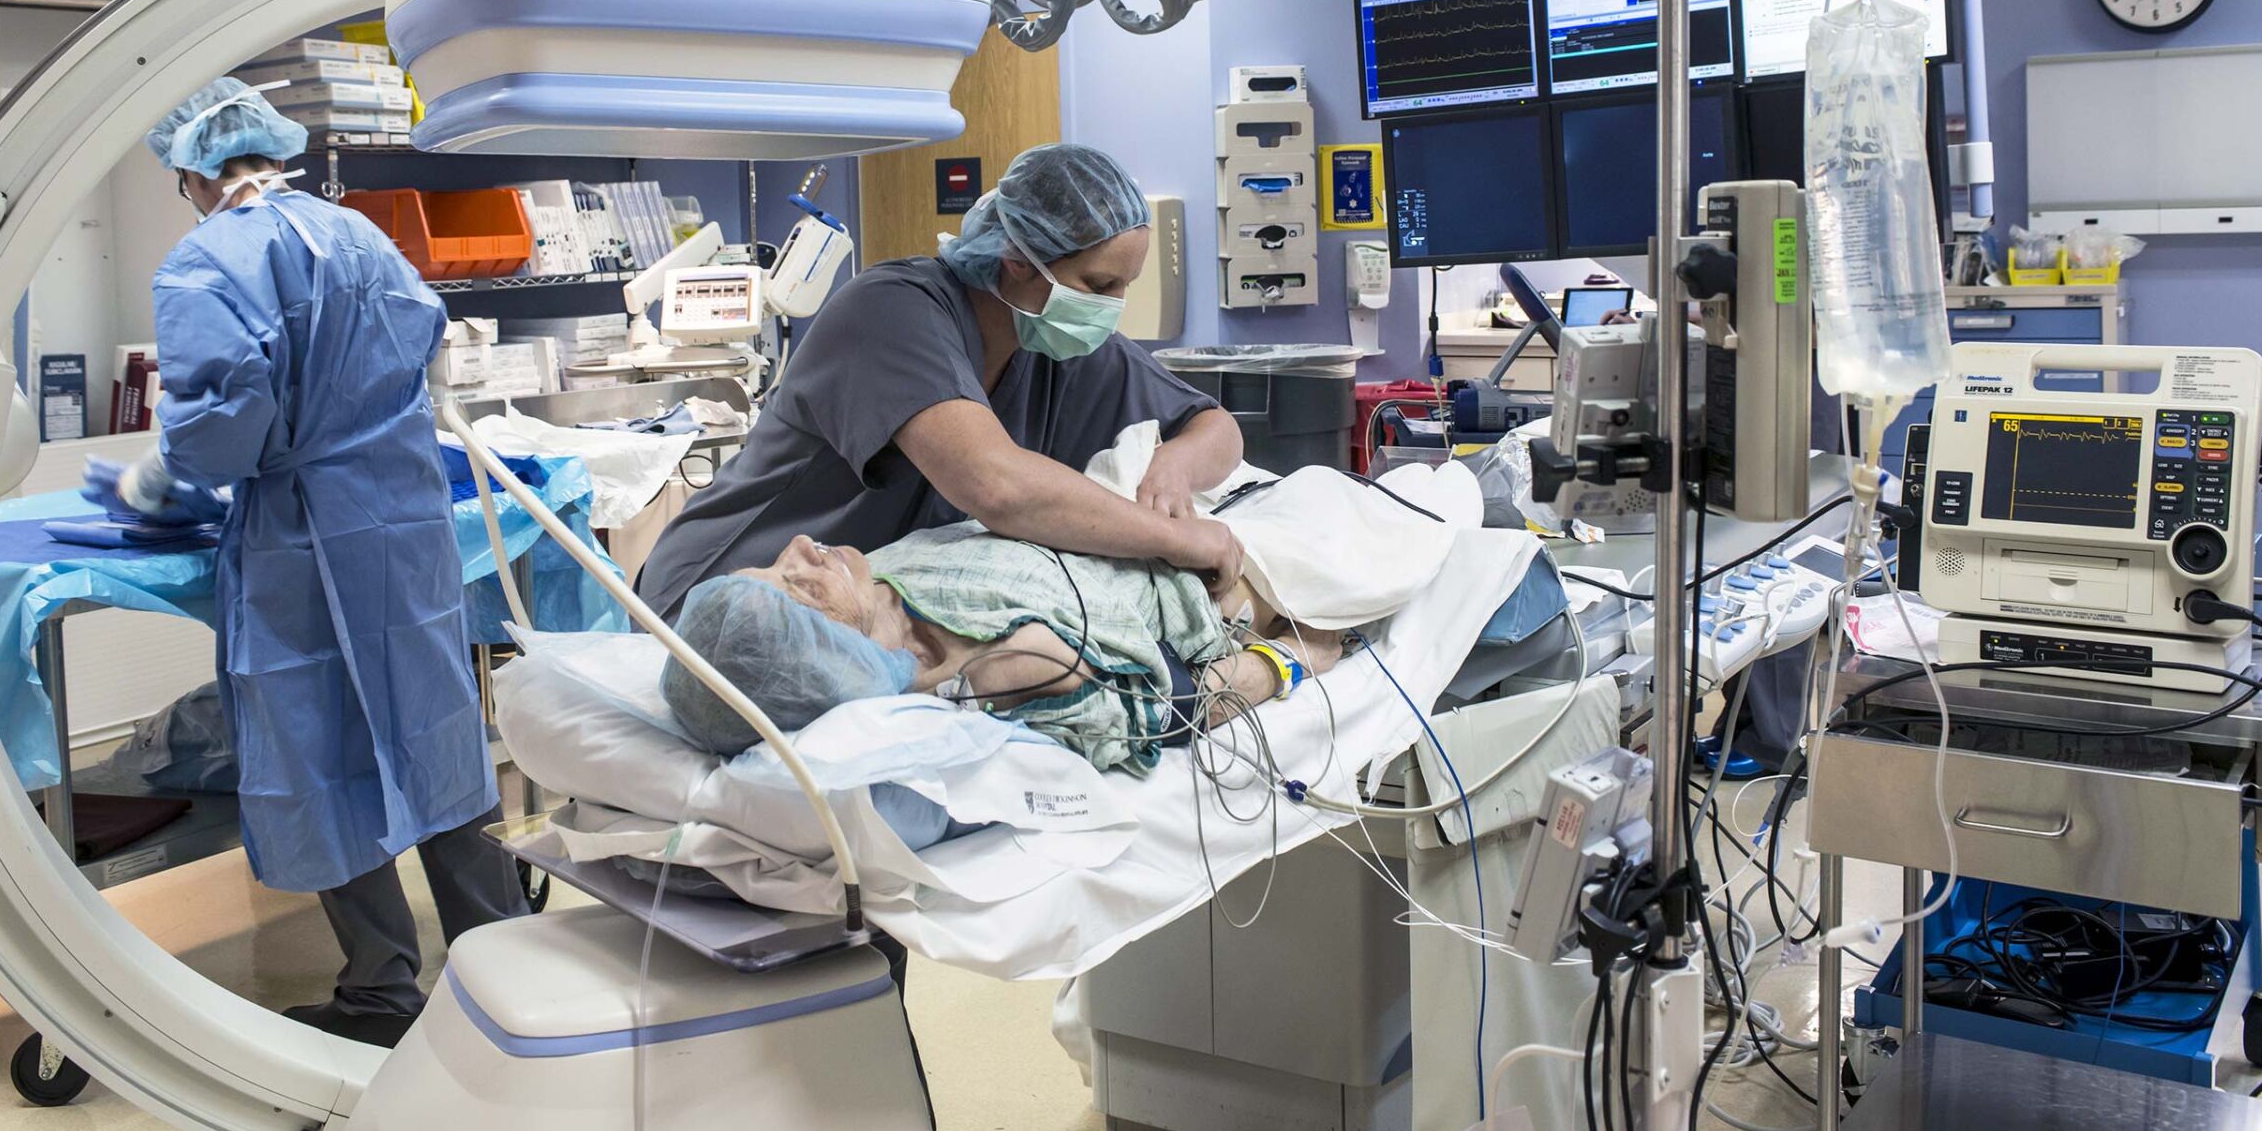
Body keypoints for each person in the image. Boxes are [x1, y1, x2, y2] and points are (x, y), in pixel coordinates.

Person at [90, 78, 526, 1048]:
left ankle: (382, 989)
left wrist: (157, 479)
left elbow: (221, 428)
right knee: (436, 732)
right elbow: (417, 347)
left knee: (316, 751)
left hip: (301, 531)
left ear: (191, 173)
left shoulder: (204, 263)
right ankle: (507, 962)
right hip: (401, 519)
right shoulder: (362, 235)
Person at [638, 143, 1248, 618]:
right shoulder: (892, 311)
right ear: (1018, 260)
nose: (1112, 308)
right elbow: (998, 486)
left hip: (848, 612)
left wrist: (1175, 466)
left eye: (1124, 287)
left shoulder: (1058, 342)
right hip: (722, 597)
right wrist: (1186, 543)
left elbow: (1214, 426)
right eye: (1098, 286)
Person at [664, 531, 1347, 774]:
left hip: (1181, 526)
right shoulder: (982, 675)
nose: (803, 548)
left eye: (772, 563)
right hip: (1230, 587)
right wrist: (1290, 660)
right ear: (825, 656)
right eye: (794, 586)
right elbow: (1168, 705)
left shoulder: (879, 576)